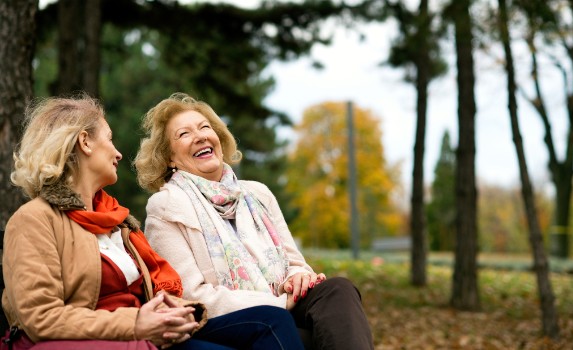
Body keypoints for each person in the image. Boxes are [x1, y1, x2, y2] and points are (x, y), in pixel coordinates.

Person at [2, 94, 305, 350]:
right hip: (107, 339)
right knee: (270, 321)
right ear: (85, 142)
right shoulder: (34, 221)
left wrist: (178, 311)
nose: (119, 153)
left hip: (147, 335)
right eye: (109, 139)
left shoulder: (118, 223)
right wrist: (136, 322)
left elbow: (156, 291)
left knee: (271, 321)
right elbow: (40, 317)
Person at [134, 92, 374, 350]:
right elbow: (192, 296)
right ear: (169, 158)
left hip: (283, 303)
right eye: (184, 134)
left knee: (338, 289)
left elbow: (294, 263)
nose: (200, 136)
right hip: (233, 320)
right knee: (297, 333)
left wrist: (298, 277)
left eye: (205, 127)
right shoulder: (167, 206)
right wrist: (279, 303)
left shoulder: (258, 193)